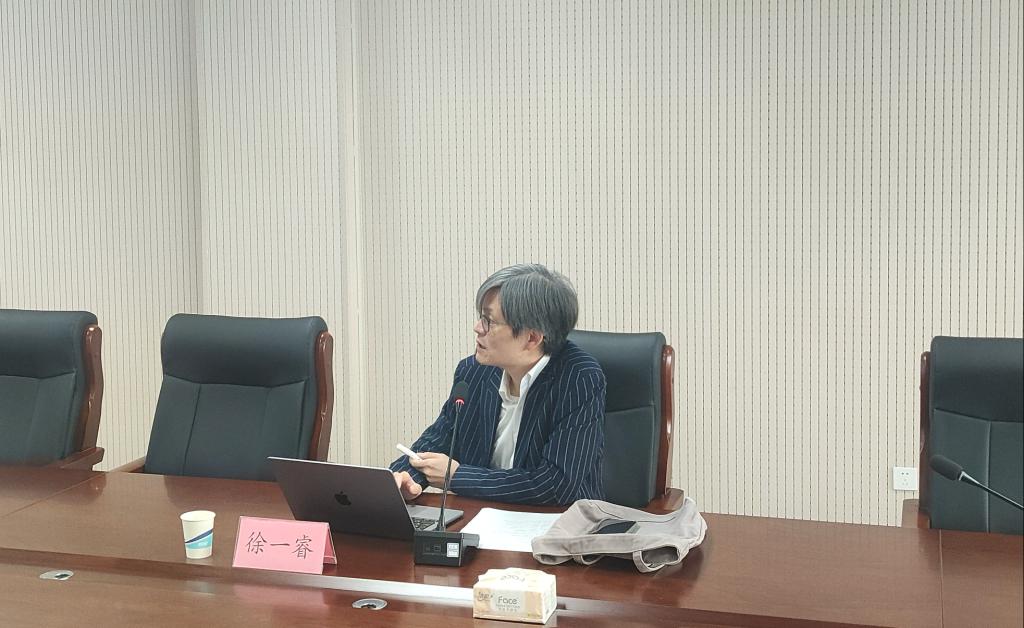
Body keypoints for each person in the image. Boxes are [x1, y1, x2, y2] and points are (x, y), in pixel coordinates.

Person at [391, 264, 606, 506]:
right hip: (483, 516)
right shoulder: (473, 372)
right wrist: (403, 478)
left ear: (532, 338)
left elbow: (556, 485)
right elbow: (440, 439)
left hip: (557, 520)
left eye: (489, 321)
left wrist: (458, 476)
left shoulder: (578, 378)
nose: (477, 328)